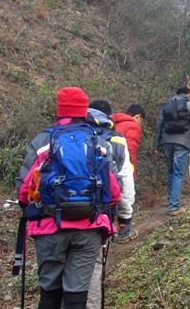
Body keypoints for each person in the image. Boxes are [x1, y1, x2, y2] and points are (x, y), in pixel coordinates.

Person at [16, 87, 129, 309]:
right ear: (84, 110)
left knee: (49, 294)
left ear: (59, 109)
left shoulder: (43, 141)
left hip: (49, 228)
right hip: (88, 229)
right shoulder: (98, 142)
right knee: (77, 296)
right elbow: (115, 191)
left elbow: (24, 190)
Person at [86, 100, 136, 309]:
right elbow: (124, 177)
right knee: (93, 266)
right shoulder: (115, 138)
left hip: (57, 216)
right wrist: (125, 214)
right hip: (99, 212)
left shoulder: (57, 134)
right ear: (108, 116)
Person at [153, 87, 190, 216]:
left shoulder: (166, 105)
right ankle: (174, 207)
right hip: (183, 142)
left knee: (170, 171)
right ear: (188, 94)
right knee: (178, 174)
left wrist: (156, 145)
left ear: (176, 94)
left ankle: (171, 201)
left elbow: (158, 125)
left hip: (166, 142)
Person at [110, 104, 146, 179]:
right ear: (138, 117)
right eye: (141, 121)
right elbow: (130, 150)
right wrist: (131, 173)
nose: (140, 124)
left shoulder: (114, 123)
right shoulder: (133, 126)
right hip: (121, 166)